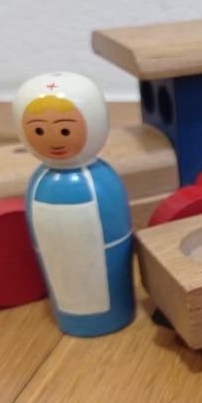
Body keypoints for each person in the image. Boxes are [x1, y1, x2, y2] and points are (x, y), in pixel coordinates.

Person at [14, 72, 134, 337]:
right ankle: (77, 317)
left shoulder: (101, 181)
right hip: (61, 266)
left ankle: (111, 315)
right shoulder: (40, 184)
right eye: (39, 131)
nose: (55, 140)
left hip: (101, 273)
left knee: (107, 272)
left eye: (65, 130)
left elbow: (119, 241)